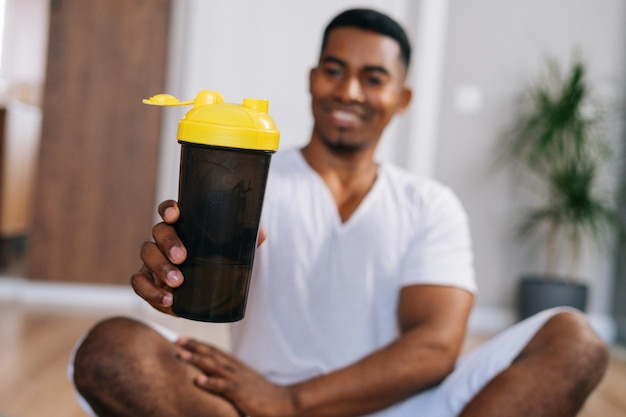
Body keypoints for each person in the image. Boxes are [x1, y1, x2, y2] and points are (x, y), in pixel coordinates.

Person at [71, 8, 608, 417]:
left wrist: (293, 400)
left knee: (575, 341)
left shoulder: (429, 205)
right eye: (335, 70)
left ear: (402, 98)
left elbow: (435, 347)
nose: (349, 90)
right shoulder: (250, 184)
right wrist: (173, 273)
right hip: (251, 404)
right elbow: (192, 282)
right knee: (109, 349)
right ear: (312, 79)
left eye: (373, 78)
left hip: (393, 406)